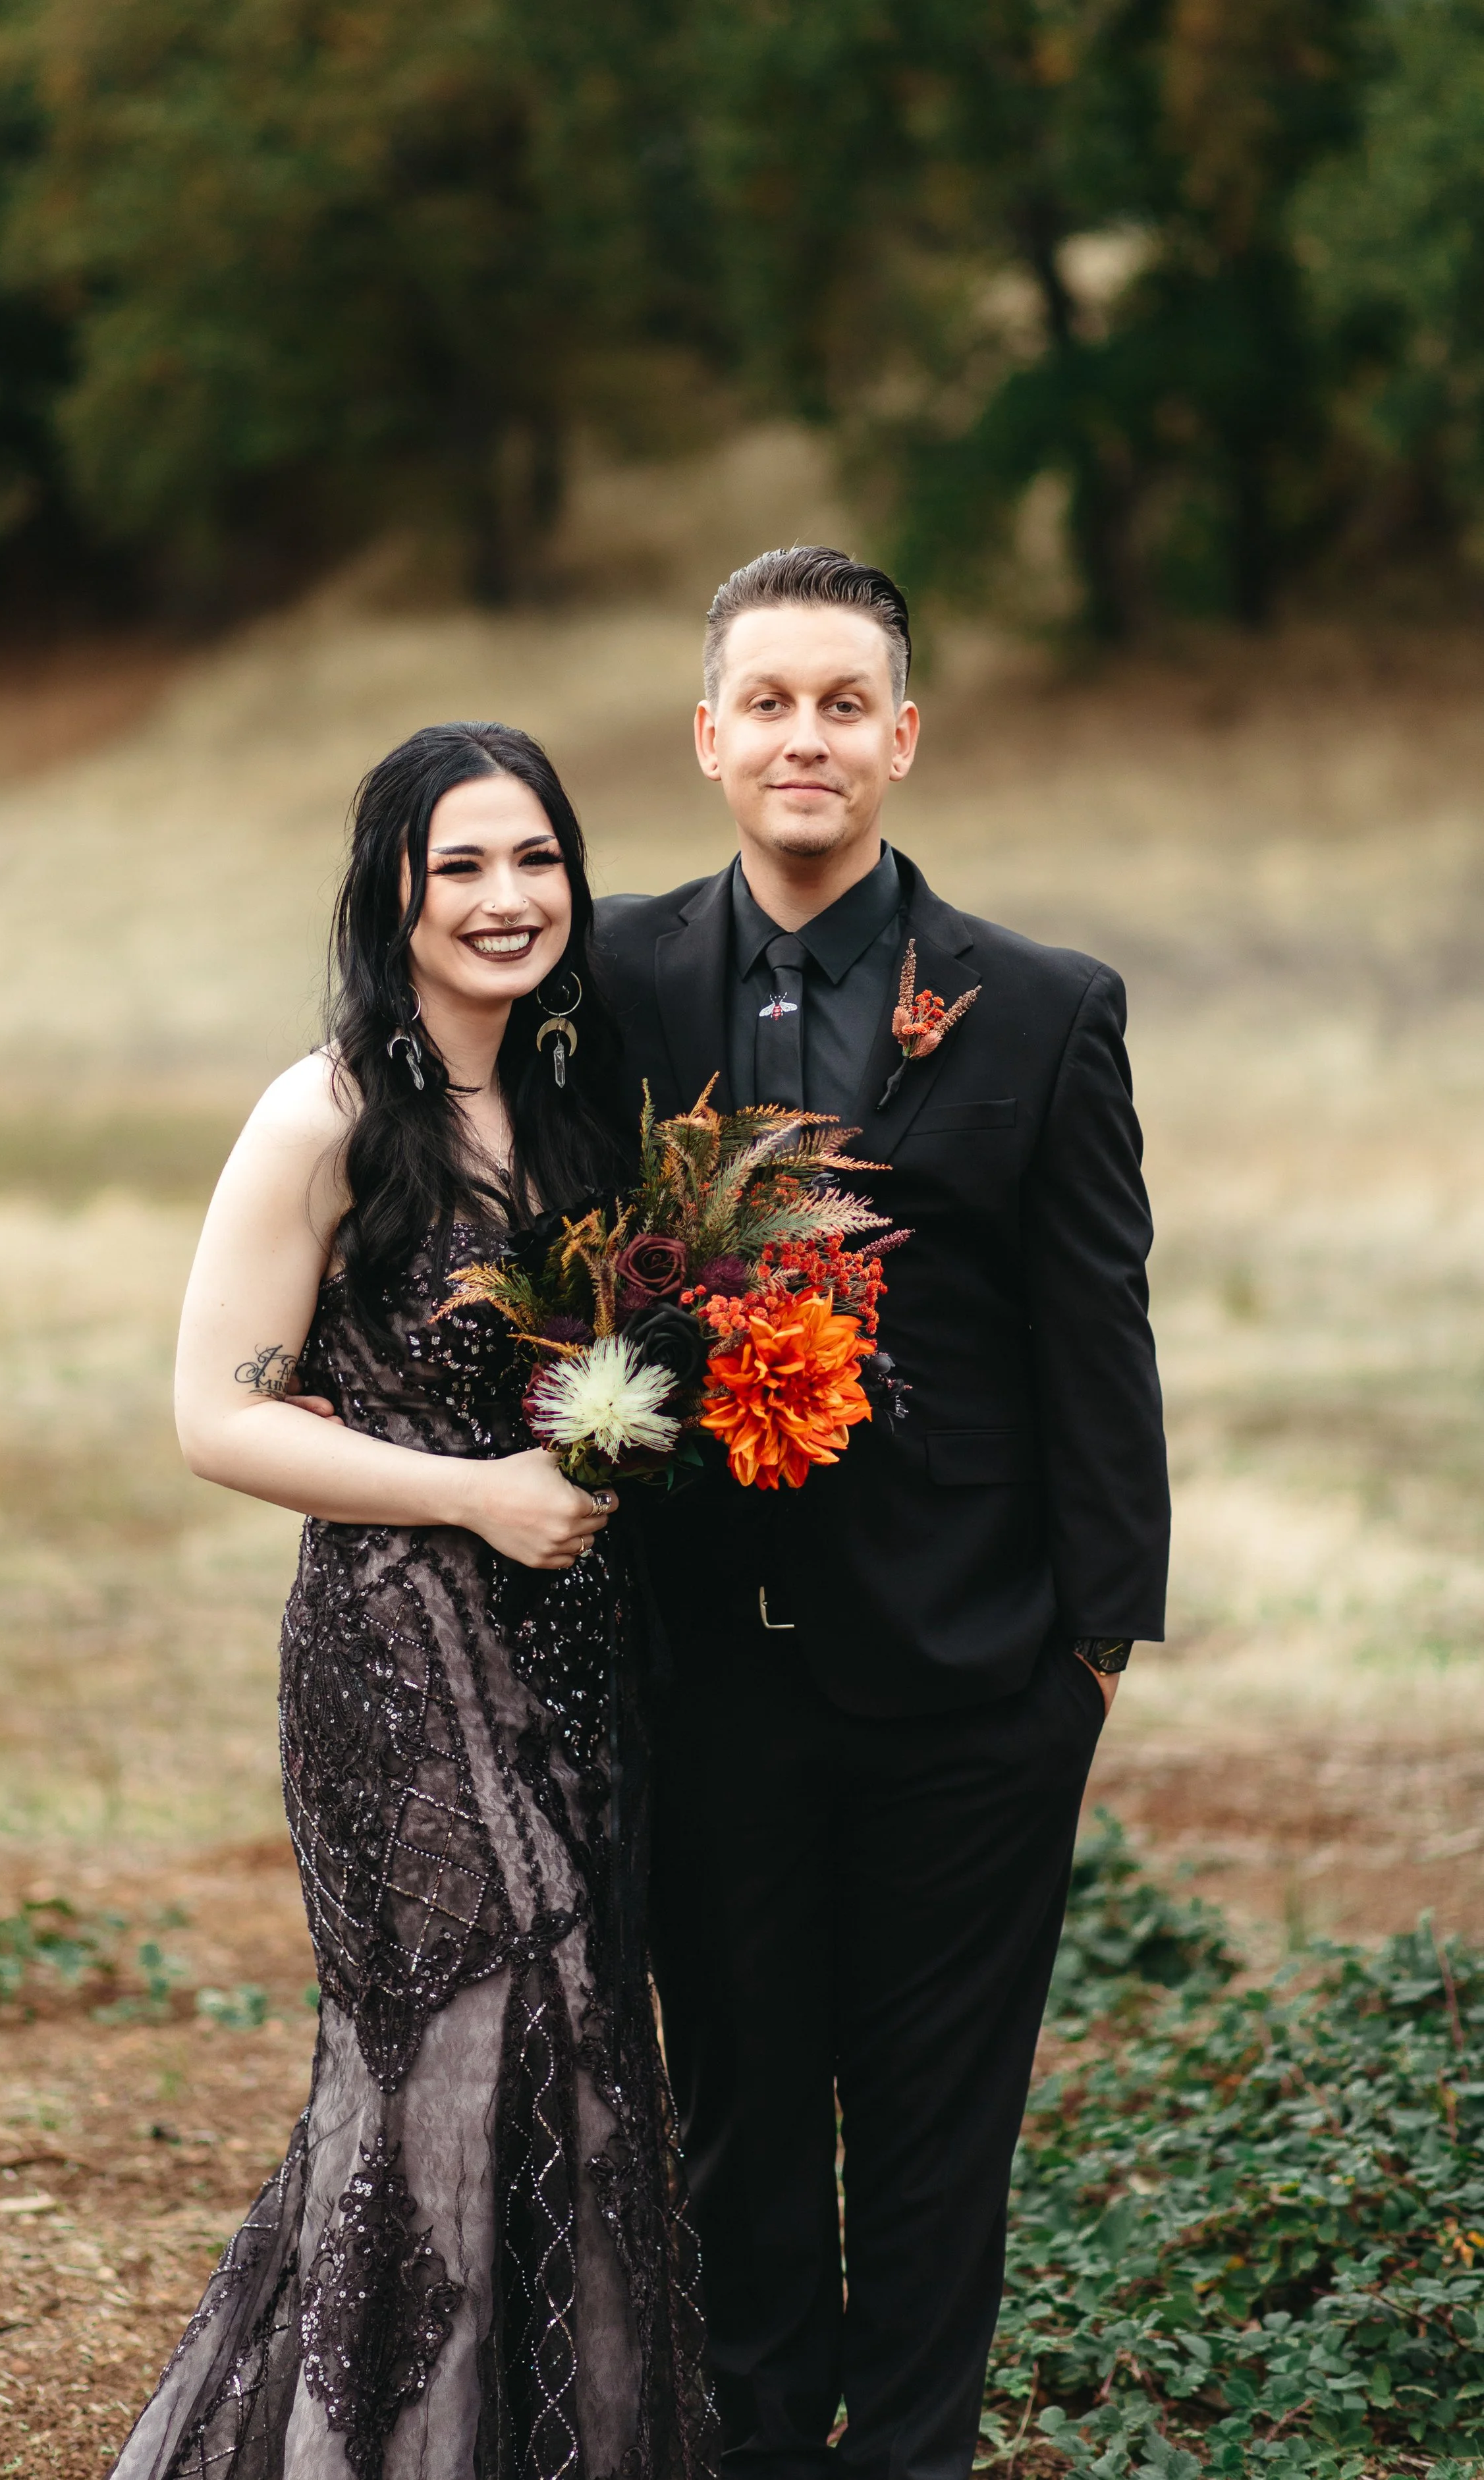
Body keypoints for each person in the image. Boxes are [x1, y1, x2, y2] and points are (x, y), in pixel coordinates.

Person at [595, 548, 1171, 2480]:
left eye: (844, 703)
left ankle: (912, 2453)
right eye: (767, 701)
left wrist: (1089, 1651)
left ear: (903, 738)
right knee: (741, 2107)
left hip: (970, 1685)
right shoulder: (611, 975)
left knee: (934, 2118)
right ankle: (755, 2446)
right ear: (707, 738)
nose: (804, 737)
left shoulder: (1038, 1008)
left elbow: (1096, 1338)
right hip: (699, 1669)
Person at [110, 723, 717, 2480]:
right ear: (393, 888)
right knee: (457, 2048)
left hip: (581, 1656)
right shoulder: (326, 1113)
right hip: (393, 1652)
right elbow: (214, 1416)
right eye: (462, 865)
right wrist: (479, 1494)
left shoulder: (581, 1111)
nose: (506, 898)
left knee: (584, 2044)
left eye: (535, 859)